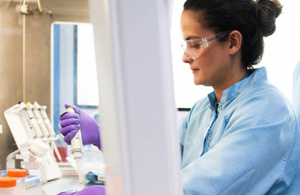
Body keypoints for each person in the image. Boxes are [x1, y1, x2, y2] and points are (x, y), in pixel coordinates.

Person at [58, 0, 300, 194]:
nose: (185, 57)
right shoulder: (203, 110)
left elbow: (195, 188)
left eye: (195, 44)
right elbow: (160, 166)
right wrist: (105, 137)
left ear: (233, 42)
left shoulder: (267, 110)